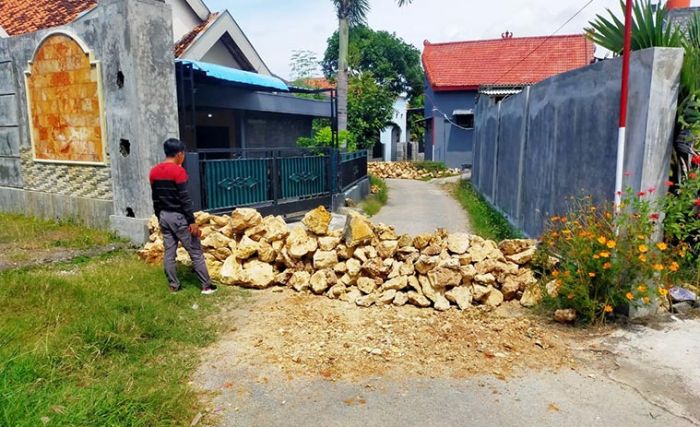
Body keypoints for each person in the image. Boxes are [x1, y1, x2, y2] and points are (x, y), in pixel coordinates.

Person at [149, 138, 217, 295]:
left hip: (164, 216)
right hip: (179, 217)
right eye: (183, 153)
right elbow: (184, 199)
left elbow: (155, 198)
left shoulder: (154, 171)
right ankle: (206, 286)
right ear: (179, 154)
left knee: (169, 253)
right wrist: (192, 221)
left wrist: (159, 216)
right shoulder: (178, 171)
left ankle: (174, 286)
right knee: (195, 252)